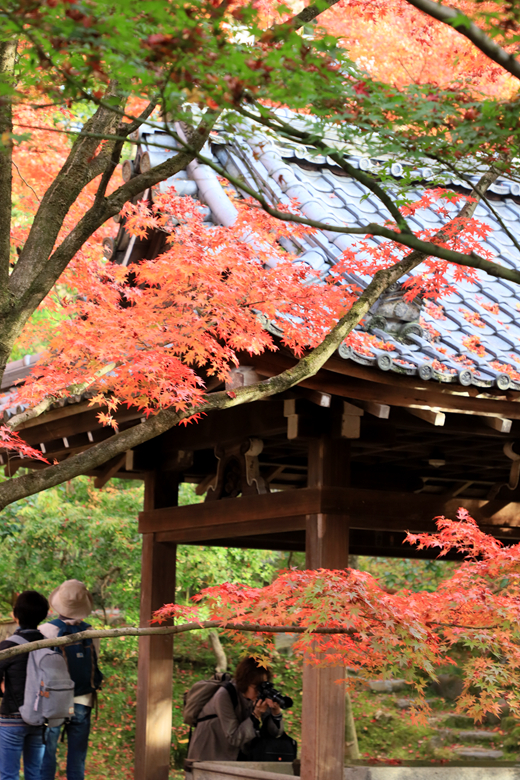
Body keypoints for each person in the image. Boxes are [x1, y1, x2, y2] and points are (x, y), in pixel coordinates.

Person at [39, 580, 103, 780]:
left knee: (47, 754)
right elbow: (96, 662)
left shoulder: (44, 631)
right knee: (77, 758)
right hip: (83, 700)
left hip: (53, 702)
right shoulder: (92, 633)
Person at [187, 656, 284, 763]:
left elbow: (275, 733)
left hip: (232, 758)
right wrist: (256, 715)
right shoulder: (224, 695)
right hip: (208, 755)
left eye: (264, 686)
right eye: (256, 687)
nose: (260, 691)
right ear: (244, 683)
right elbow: (234, 737)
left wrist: (276, 712)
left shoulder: (258, 697)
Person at [0, 589, 49, 780]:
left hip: (12, 717)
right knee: (34, 774)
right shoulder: (49, 644)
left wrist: (5, 689)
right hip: (39, 718)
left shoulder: (8, 646)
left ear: (16, 615)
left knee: (8, 776)